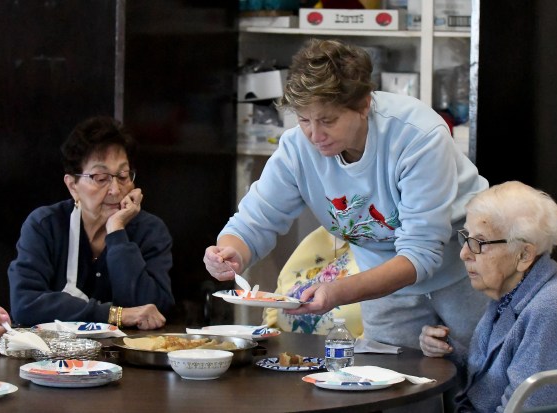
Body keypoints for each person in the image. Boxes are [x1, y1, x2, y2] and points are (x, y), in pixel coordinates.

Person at [204, 38, 490, 352]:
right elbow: (254, 222)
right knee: (394, 379)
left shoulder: (417, 136)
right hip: (382, 279)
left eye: (328, 120)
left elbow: (421, 253)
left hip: (464, 268)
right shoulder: (297, 149)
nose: (314, 135)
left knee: (479, 375)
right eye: (303, 120)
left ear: (364, 104)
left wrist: (339, 291)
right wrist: (231, 253)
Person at [419, 181, 557, 412]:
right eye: (466, 238)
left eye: (479, 242)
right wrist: (448, 349)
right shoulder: (512, 294)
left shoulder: (553, 306)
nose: (464, 253)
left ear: (524, 254)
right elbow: (493, 376)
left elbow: (524, 406)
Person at [8, 116, 174, 330]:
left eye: (123, 176)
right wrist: (114, 314)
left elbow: (153, 310)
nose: (115, 190)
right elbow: (25, 304)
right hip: (52, 360)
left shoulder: (150, 230)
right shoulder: (45, 226)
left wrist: (116, 232)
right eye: (100, 177)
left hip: (128, 359)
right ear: (73, 186)